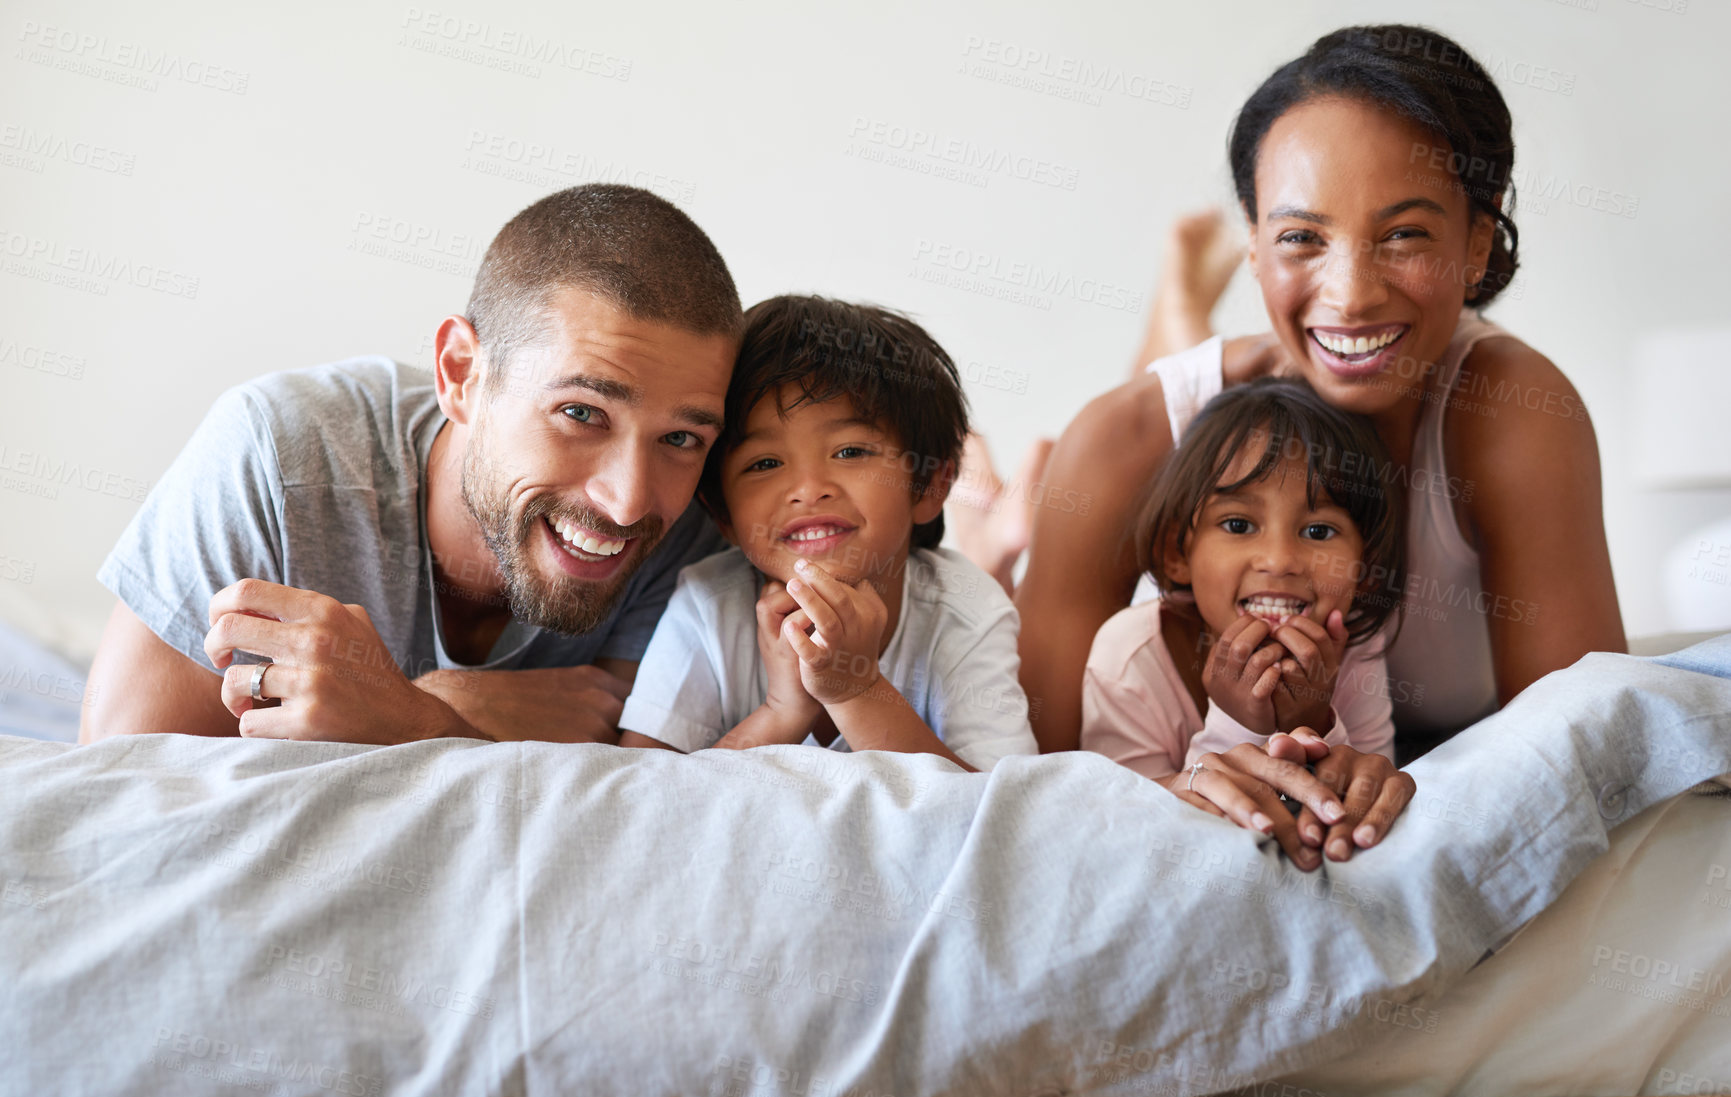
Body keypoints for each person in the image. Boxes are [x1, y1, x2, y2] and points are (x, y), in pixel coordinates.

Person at [961, 24, 1626, 775]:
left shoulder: (1514, 413)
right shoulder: (1124, 436)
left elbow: (1588, 751)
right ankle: (992, 531)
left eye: (1403, 234)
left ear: (1476, 241)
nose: (1350, 294)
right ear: (1252, 241)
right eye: (1301, 237)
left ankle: (1179, 312)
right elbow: (1021, 779)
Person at [79, 184, 742, 745]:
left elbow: (634, 791)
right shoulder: (279, 453)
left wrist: (410, 713)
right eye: (581, 413)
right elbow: (117, 797)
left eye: (680, 438)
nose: (627, 501)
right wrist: (434, 713)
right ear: (460, 374)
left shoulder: (686, 531)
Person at [619, 296, 1036, 772]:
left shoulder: (967, 610)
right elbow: (645, 793)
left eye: (850, 452)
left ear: (930, 485)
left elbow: (999, 810)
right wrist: (782, 712)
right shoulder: (708, 604)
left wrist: (856, 689)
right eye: (765, 463)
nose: (809, 490)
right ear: (723, 518)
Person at [1082, 379, 1414, 869]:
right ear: (1178, 554)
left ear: (1364, 571)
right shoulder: (1129, 656)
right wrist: (1237, 722)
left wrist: (1318, 722)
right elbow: (1136, 833)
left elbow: (1354, 802)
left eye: (1318, 531)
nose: (1280, 560)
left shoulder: (1355, 643)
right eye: (1238, 525)